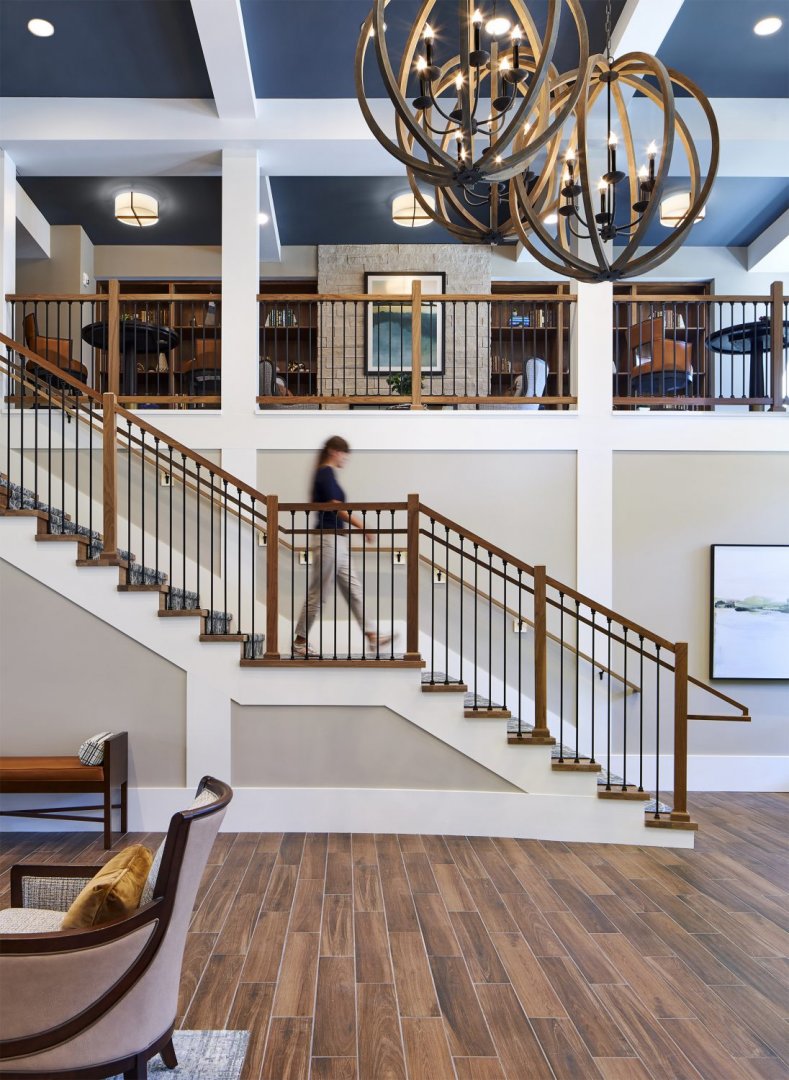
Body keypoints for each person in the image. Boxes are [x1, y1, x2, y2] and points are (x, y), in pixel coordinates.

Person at [293, 436, 392, 657]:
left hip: (338, 540)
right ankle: (300, 642)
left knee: (354, 589)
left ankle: (372, 636)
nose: (345, 459)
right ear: (333, 451)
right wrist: (362, 526)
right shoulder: (325, 473)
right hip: (328, 539)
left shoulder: (329, 474)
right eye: (344, 454)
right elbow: (335, 507)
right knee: (319, 593)